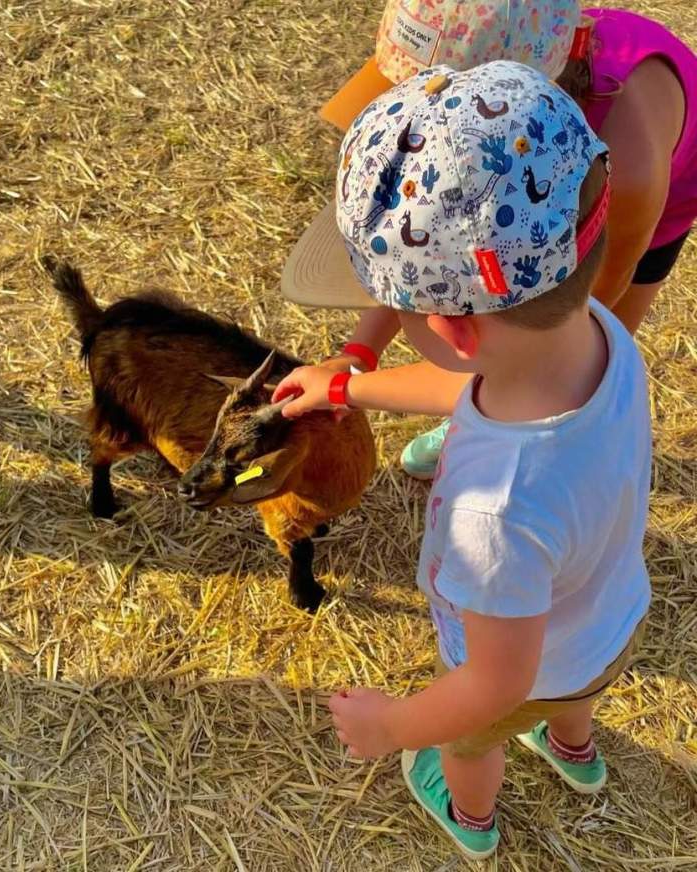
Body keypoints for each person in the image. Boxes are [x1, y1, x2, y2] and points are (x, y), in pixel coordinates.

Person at [273, 62, 651, 859]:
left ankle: (472, 818)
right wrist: (348, 386)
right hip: (607, 623)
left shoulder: (494, 512)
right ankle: (574, 748)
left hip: (523, 671)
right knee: (570, 693)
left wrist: (392, 726)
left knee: (472, 740)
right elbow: (470, 386)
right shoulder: (598, 334)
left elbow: (493, 684)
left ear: (453, 332)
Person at [283, 0, 696, 480]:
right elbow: (413, 257)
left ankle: (523, 431)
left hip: (664, 192)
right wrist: (359, 353)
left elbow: (574, 327)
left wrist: (497, 393)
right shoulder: (511, 67)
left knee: (585, 358)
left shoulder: (632, 168)